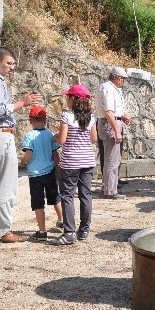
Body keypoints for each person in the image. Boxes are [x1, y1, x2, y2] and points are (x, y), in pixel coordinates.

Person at [0, 46, 42, 243]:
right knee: (5, 186)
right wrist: (22, 102)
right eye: (9, 63)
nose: (12, 68)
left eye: (13, 64)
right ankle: (3, 231)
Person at [51, 84, 97, 245]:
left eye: (67, 96)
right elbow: (93, 139)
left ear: (73, 99)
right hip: (88, 161)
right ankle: (84, 229)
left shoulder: (67, 117)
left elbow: (62, 140)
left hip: (70, 162)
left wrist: (55, 137)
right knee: (86, 195)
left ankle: (69, 231)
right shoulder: (91, 117)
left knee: (67, 196)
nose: (66, 99)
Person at [20, 105, 63, 240]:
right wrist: (58, 166)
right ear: (45, 120)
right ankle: (62, 220)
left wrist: (24, 162)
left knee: (38, 203)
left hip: (35, 175)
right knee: (55, 197)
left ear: (30, 121)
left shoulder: (29, 136)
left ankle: (43, 231)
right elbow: (55, 153)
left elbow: (29, 152)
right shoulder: (50, 135)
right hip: (49, 171)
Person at [95, 66, 132, 199]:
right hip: (109, 125)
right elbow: (108, 112)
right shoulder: (108, 89)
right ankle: (110, 191)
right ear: (117, 78)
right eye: (122, 79)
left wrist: (121, 117)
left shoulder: (108, 88)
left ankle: (108, 187)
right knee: (112, 159)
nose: (123, 81)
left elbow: (111, 112)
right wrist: (117, 131)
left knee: (111, 158)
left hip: (110, 123)